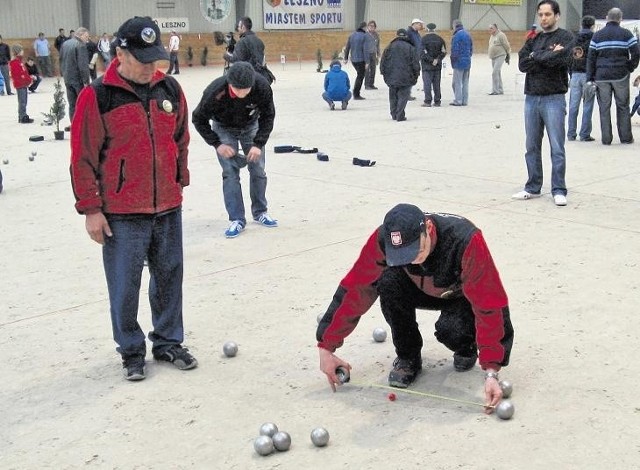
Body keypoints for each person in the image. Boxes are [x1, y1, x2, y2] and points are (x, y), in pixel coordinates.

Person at [69, 16, 196, 381]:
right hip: (122, 213)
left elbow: (181, 140)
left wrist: (179, 180)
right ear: (120, 53)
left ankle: (169, 341)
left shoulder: (169, 89)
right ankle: (131, 351)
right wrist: (91, 210)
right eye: (142, 59)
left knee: (170, 277)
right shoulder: (98, 95)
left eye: (154, 58)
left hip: (168, 206)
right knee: (125, 285)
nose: (149, 67)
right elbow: (83, 157)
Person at [316, 203, 514, 414]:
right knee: (388, 281)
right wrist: (326, 346)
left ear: (428, 228)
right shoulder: (382, 238)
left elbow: (489, 303)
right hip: (418, 289)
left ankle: (465, 345)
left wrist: (492, 371)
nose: (412, 259)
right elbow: (356, 288)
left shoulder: (466, 240)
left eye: (417, 250)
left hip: (460, 296)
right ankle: (408, 357)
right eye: (402, 255)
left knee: (451, 331)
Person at [192, 61, 277, 239]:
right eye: (237, 90)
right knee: (230, 172)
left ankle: (260, 211)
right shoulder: (215, 91)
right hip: (223, 128)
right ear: (229, 83)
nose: (241, 94)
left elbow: (268, 116)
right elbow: (198, 119)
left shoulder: (261, 86)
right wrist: (217, 144)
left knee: (258, 169)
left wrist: (258, 144)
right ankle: (237, 219)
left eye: (246, 90)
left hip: (250, 126)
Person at [513, 0, 573, 207]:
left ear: (557, 15)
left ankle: (558, 189)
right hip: (531, 97)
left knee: (557, 146)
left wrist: (536, 57)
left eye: (547, 14)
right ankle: (533, 186)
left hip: (554, 98)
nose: (543, 18)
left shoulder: (566, 37)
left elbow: (560, 60)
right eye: (541, 14)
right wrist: (543, 55)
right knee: (531, 145)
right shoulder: (535, 38)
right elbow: (522, 63)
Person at [587, 7, 640, 145]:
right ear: (620, 19)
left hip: (601, 76)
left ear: (606, 18)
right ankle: (626, 137)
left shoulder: (597, 36)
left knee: (604, 108)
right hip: (620, 75)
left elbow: (591, 58)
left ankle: (606, 138)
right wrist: (630, 66)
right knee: (623, 106)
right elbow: (636, 53)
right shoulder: (627, 34)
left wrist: (590, 78)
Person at [567, 15, 596, 142]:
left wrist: (571, 73)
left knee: (573, 105)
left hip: (575, 74)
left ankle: (571, 133)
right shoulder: (594, 38)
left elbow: (568, 57)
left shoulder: (573, 39)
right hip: (588, 75)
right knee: (588, 104)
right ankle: (584, 134)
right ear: (593, 25)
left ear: (581, 25)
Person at [380, 29, 420, 122]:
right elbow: (415, 64)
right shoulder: (410, 48)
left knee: (393, 96)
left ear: (397, 35)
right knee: (403, 96)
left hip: (391, 76)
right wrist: (416, 74)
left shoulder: (389, 47)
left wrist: (384, 73)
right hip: (406, 76)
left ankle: (394, 114)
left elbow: (383, 62)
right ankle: (400, 115)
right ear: (406, 36)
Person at [224, 17, 273, 84]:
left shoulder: (242, 42)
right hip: (261, 77)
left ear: (243, 27)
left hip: (248, 78)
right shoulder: (259, 41)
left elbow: (236, 59)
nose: (237, 29)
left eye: (238, 27)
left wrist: (227, 55)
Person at [60, 27, 91, 126]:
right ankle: (82, 125)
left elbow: (61, 60)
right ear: (81, 34)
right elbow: (83, 65)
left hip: (67, 78)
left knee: (72, 104)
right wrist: (86, 81)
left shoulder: (65, 44)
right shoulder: (80, 45)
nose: (87, 39)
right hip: (78, 80)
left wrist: (63, 73)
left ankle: (74, 124)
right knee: (82, 104)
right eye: (86, 36)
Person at [420, 23, 447, 107]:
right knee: (437, 84)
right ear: (435, 29)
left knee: (427, 84)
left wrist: (431, 60)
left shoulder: (423, 39)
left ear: (427, 29)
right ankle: (437, 101)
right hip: (437, 66)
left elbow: (422, 53)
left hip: (427, 66)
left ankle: (428, 101)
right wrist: (437, 60)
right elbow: (443, 51)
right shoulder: (440, 39)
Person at [344, 22, 371, 100]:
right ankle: (356, 93)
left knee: (359, 75)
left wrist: (345, 58)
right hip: (361, 59)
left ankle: (356, 92)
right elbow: (365, 49)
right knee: (360, 76)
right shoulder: (365, 36)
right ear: (364, 27)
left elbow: (347, 47)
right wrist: (367, 61)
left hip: (353, 59)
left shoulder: (352, 35)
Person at [450, 19, 473, 106]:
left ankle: (458, 100)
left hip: (459, 61)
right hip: (467, 61)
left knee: (457, 82)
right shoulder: (468, 34)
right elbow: (471, 48)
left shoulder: (456, 36)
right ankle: (464, 100)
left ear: (454, 26)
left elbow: (455, 49)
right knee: (465, 82)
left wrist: (453, 60)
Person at [9, 44, 34, 123]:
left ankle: (23, 115)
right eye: (21, 50)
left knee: (24, 100)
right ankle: (22, 117)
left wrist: (29, 79)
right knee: (22, 101)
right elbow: (18, 74)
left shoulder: (19, 61)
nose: (23, 51)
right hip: (20, 84)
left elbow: (24, 72)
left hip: (23, 84)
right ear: (18, 52)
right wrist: (26, 80)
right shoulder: (15, 62)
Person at [487, 23, 511, 95]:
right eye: (489, 28)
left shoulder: (501, 35)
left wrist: (508, 54)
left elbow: (506, 45)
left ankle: (495, 90)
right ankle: (500, 89)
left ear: (496, 28)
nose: (490, 29)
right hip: (493, 56)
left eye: (491, 28)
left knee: (494, 72)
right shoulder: (492, 36)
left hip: (500, 55)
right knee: (498, 73)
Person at [364, 20, 380, 90]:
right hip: (367, 54)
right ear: (368, 27)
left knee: (373, 69)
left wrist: (378, 53)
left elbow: (378, 45)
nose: (371, 27)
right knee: (367, 70)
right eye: (370, 26)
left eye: (373, 26)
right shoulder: (365, 34)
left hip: (373, 54)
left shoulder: (376, 35)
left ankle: (371, 84)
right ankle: (367, 85)